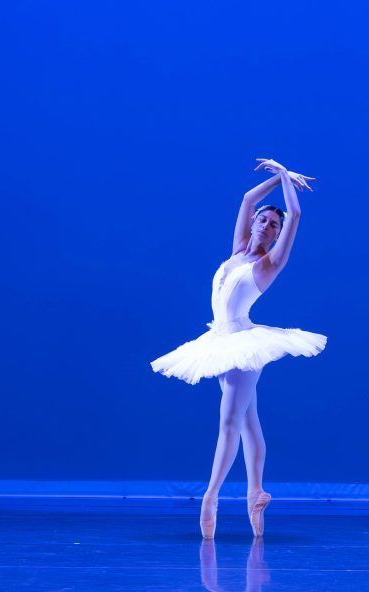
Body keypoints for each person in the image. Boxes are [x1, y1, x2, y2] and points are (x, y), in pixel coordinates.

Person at [150, 158, 328, 538]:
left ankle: (210, 497)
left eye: (274, 225)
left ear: (277, 235)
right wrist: (277, 175)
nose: (267, 226)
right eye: (264, 220)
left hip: (243, 347)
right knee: (248, 420)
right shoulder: (236, 253)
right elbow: (248, 198)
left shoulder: (268, 263)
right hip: (220, 341)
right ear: (253, 223)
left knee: (229, 422)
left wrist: (285, 177)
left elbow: (295, 214)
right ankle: (255, 493)